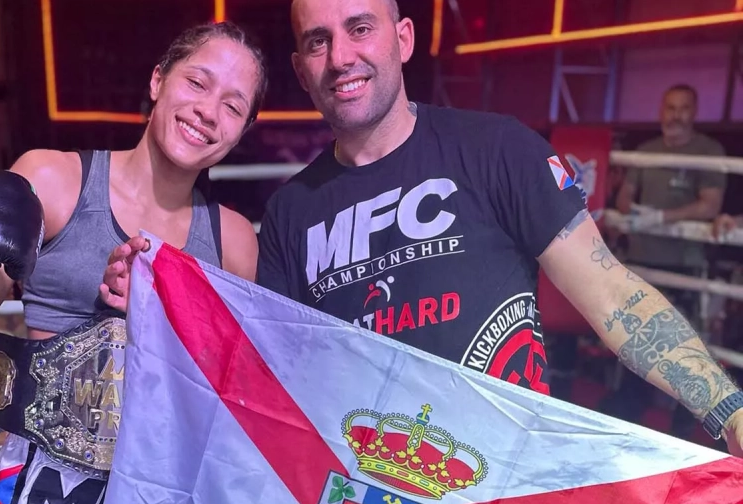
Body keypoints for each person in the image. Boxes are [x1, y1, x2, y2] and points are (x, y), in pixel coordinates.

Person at [249, 0, 741, 454]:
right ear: (301, 70)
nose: (340, 57)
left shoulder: (498, 149)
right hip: (361, 483)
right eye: (318, 41)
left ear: (403, 39)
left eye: (360, 29)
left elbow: (610, 290)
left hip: (507, 481)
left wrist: (729, 410)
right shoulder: (290, 213)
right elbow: (283, 372)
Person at [0, 21, 267, 504]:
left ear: (242, 130)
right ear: (158, 80)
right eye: (197, 82)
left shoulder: (233, 242)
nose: (208, 111)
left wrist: (164, 318)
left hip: (163, 498)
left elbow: (232, 410)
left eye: (233, 106)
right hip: (47, 499)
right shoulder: (53, 182)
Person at [615, 84, 727, 323]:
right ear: (661, 112)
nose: (676, 115)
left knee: (680, 337)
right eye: (671, 108)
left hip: (682, 263)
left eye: (683, 109)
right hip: (640, 258)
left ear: (694, 112)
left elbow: (711, 205)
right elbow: (624, 196)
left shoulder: (708, 151)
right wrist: (634, 212)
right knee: (631, 334)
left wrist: (660, 217)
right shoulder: (646, 150)